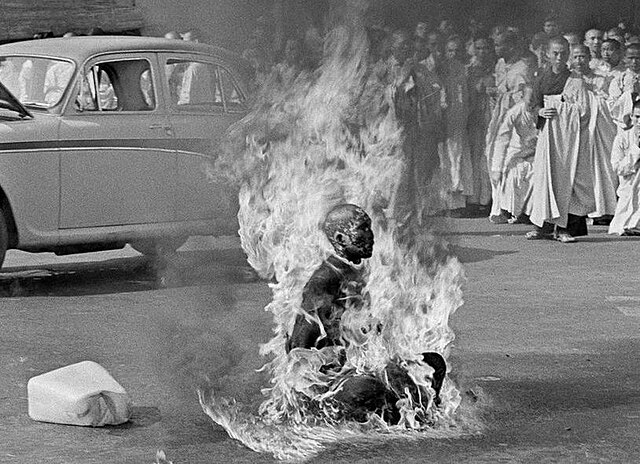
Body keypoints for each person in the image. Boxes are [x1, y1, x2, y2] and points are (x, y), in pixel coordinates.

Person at [286, 204, 447, 421]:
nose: (371, 235)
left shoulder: (356, 274)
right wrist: (329, 365)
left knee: (433, 363)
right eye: (363, 228)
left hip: (362, 367)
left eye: (369, 228)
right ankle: (399, 414)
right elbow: (298, 348)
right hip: (333, 383)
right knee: (368, 388)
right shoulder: (324, 280)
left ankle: (414, 413)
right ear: (341, 239)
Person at [526, 37, 594, 243]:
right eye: (555, 53)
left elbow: (584, 112)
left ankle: (565, 228)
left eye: (563, 53)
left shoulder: (576, 81)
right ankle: (543, 227)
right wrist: (540, 111)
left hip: (569, 139)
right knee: (545, 179)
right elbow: (533, 105)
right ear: (547, 54)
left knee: (568, 180)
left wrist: (563, 108)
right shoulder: (541, 79)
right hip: (548, 135)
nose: (559, 57)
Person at [485, 29, 532, 223]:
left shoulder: (522, 68)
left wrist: (502, 95)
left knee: (509, 160)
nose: (497, 49)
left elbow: (522, 95)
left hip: (515, 121)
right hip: (499, 116)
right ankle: (499, 206)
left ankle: (513, 209)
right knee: (494, 155)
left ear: (511, 46)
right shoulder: (501, 64)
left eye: (500, 45)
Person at [568, 45, 618, 224]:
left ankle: (603, 210)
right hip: (577, 132)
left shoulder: (601, 79)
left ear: (589, 58)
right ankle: (579, 211)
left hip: (598, 131)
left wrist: (593, 96)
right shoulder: (568, 80)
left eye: (583, 56)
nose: (579, 61)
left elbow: (609, 104)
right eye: (575, 57)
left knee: (602, 168)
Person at [490, 86, 537, 223]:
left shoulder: (543, 110)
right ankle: (506, 211)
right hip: (516, 153)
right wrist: (496, 168)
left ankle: (531, 214)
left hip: (537, 153)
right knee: (511, 174)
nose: (532, 105)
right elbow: (502, 139)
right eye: (529, 101)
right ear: (522, 97)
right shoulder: (514, 112)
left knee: (538, 175)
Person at [439, 35, 474, 213]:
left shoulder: (463, 72)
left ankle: (459, 203)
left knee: (459, 157)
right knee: (447, 158)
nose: (453, 54)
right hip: (444, 123)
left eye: (456, 51)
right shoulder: (440, 72)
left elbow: (468, 98)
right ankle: (445, 202)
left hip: (460, 121)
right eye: (449, 51)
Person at [466, 36, 494, 214]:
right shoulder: (469, 69)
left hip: (491, 115)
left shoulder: (496, 66)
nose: (482, 52)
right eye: (478, 48)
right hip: (475, 116)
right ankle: (474, 199)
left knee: (488, 156)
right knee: (476, 158)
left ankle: (488, 199)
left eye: (485, 48)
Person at [608, 99, 640, 235]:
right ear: (631, 117)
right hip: (628, 190)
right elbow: (617, 168)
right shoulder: (622, 138)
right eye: (637, 117)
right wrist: (636, 148)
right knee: (621, 226)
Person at [608, 43, 640, 131]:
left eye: (638, 58)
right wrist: (629, 95)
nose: (634, 62)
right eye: (630, 58)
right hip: (625, 126)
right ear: (624, 58)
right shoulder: (619, 80)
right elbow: (612, 106)